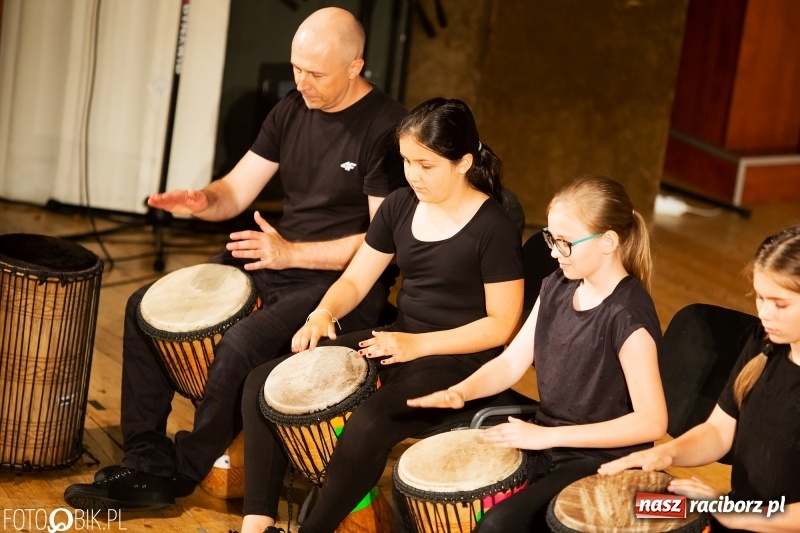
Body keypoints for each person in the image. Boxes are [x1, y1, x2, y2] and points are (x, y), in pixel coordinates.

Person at [63, 7, 407, 511]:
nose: (302, 82)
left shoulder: (387, 127)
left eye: (315, 73)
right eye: (296, 68)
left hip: (346, 285)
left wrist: (290, 252)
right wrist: (203, 200)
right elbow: (235, 190)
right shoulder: (292, 108)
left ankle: (179, 473)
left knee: (243, 343)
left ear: (356, 67)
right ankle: (145, 457)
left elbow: (386, 239)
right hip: (279, 256)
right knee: (145, 307)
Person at [236, 97, 525, 533]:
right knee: (262, 381)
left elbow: (500, 327)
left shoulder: (493, 227)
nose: (413, 174)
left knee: (372, 421)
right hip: (400, 337)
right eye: (407, 161)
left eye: (426, 165)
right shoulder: (399, 206)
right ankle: (256, 527)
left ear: (464, 162)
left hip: (461, 358)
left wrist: (417, 345)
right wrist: (323, 312)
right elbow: (355, 281)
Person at [408, 175, 668, 532]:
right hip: (547, 439)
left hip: (602, 459)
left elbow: (652, 422)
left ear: (608, 242)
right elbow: (511, 361)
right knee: (422, 492)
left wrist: (549, 437)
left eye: (565, 243)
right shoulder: (557, 285)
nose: (552, 252)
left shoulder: (627, 315)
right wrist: (462, 391)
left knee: (497, 526)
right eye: (551, 238)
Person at [599, 224, 800, 532]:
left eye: (780, 303)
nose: (765, 314)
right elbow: (719, 432)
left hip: (756, 519)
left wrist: (723, 508)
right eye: (760, 298)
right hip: (732, 511)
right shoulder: (766, 342)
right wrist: (665, 453)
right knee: (623, 507)